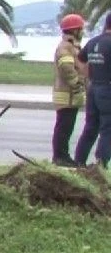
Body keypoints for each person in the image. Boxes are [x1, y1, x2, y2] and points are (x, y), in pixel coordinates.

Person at [74, 15, 111, 168]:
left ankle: (79, 161)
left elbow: (79, 59)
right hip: (107, 89)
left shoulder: (94, 41)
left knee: (90, 127)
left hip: (93, 88)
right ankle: (101, 164)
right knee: (108, 128)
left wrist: (89, 75)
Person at [51, 13, 86, 166]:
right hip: (67, 94)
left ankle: (63, 156)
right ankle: (60, 157)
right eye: (81, 28)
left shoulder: (72, 45)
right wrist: (77, 83)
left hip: (70, 95)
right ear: (74, 30)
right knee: (63, 128)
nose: (82, 31)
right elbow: (66, 67)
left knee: (66, 127)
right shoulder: (66, 47)